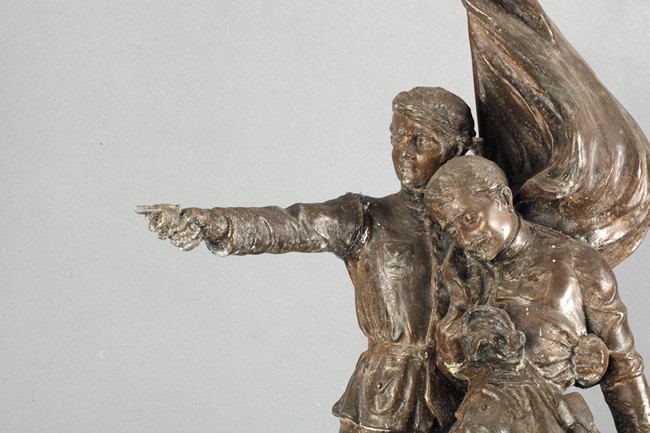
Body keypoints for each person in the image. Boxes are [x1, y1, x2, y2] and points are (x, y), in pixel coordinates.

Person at [138, 87, 475, 433]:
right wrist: (213, 223)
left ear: (456, 150)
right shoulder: (368, 217)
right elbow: (292, 224)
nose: (405, 153)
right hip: (386, 396)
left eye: (422, 141)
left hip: (462, 393)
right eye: (398, 138)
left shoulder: (479, 224)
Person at [424, 155, 650, 433]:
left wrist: (592, 363)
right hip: (482, 420)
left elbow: (624, 368)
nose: (465, 238)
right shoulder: (461, 273)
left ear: (504, 199)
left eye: (470, 219)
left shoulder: (576, 262)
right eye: (452, 230)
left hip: (549, 419)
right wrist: (452, 352)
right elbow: (449, 376)